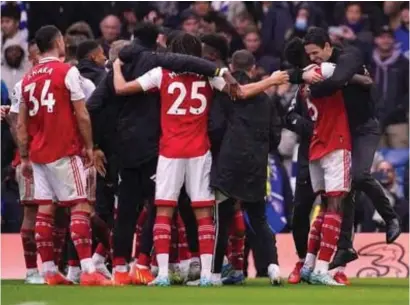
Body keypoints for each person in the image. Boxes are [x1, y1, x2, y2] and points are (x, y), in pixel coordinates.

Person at [87, 23, 237, 286]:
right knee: (196, 212)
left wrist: (117, 68)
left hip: (159, 149)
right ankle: (202, 272)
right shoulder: (206, 76)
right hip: (193, 150)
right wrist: (267, 80)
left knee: (152, 210)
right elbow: (240, 93)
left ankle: (153, 271)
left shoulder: (161, 73)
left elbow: (116, 92)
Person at [15, 25, 110, 286]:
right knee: (80, 206)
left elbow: (21, 124)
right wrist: (89, 146)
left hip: (37, 154)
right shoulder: (68, 72)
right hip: (65, 151)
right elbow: (81, 113)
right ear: (58, 42)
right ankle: (89, 270)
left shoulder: (27, 77)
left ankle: (48, 271)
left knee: (45, 210)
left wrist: (24, 157)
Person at [300, 27, 401, 270]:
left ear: (327, 46)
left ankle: (390, 217)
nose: (312, 58)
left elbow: (338, 80)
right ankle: (345, 247)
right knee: (344, 189)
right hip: (341, 132)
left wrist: (314, 84)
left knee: (359, 175)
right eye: (308, 55)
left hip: (364, 128)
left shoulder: (349, 56)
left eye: (315, 53)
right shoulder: (315, 68)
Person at [210, 50, 289, 286]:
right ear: (253, 68)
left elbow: (214, 127)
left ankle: (214, 273)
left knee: (222, 219)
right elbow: (276, 135)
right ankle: (273, 267)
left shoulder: (223, 94)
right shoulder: (265, 99)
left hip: (229, 162)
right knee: (259, 218)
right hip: (256, 164)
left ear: (231, 66)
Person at [6, 39, 43, 285]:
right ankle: (32, 270)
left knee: (60, 215)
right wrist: (25, 155)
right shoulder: (23, 85)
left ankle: (57, 267)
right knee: (31, 213)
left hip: (55, 156)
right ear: (31, 57)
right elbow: (16, 126)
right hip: (33, 159)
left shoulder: (62, 78)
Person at [369, 25, 409, 148]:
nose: (385, 40)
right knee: (377, 162)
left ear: (394, 40)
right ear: (376, 40)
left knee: (401, 159)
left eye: (389, 37)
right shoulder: (369, 63)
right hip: (374, 121)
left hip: (398, 121)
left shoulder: (404, 63)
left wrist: (400, 108)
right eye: (382, 37)